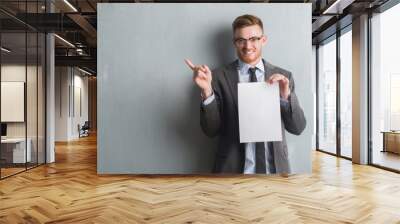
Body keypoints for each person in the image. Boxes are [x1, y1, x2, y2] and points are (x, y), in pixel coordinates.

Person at [185, 14, 306, 174]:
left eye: (254, 39)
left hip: (276, 172)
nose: (247, 46)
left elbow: (298, 128)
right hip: (233, 172)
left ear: (263, 40)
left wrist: (285, 97)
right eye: (241, 40)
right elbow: (211, 130)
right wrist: (207, 91)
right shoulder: (218, 77)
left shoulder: (284, 77)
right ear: (234, 43)